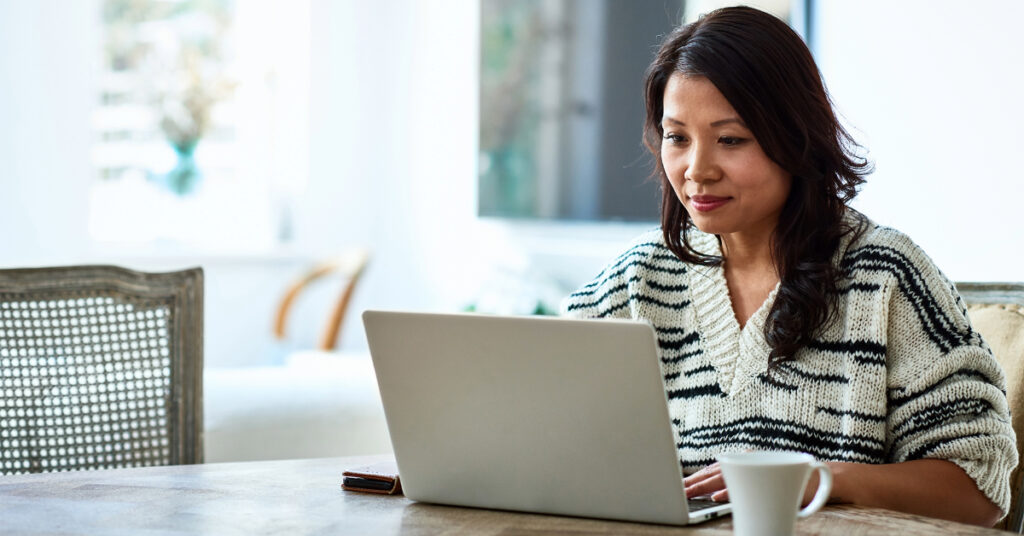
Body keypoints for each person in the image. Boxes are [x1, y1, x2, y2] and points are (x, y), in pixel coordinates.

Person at [560, 6, 1016, 527]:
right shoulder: (634, 282)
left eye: (731, 139)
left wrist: (819, 480)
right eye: (677, 137)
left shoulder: (886, 277)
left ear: (795, 136)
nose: (697, 170)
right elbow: (545, 440)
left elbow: (979, 489)